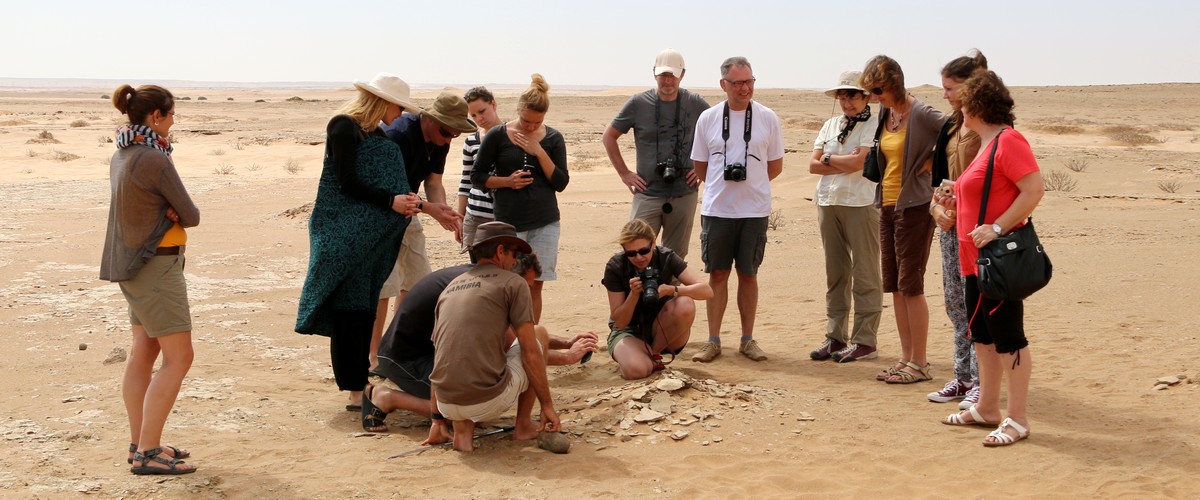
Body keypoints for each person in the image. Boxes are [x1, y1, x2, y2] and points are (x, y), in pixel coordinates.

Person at [295, 73, 423, 411]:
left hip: (370, 237)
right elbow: (345, 182)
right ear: (383, 102)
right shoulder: (343, 126)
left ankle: (360, 383)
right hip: (343, 232)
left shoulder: (377, 134)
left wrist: (407, 201)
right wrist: (390, 201)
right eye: (399, 107)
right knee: (349, 312)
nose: (401, 115)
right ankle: (355, 389)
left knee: (363, 309)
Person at [364, 253, 598, 432]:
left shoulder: (481, 277)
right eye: (526, 285)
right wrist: (568, 357)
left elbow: (521, 335)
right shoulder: (492, 291)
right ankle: (387, 398)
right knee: (468, 409)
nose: (527, 292)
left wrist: (566, 342)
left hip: (426, 351)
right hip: (405, 359)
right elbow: (522, 349)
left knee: (472, 400)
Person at [936, 70, 1043, 446]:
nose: (955, 105)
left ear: (976, 106)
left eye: (962, 100)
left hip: (997, 260)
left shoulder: (1009, 140)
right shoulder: (987, 143)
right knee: (981, 335)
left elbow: (1033, 189)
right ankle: (987, 408)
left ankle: (1018, 418)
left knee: (1008, 337)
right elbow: (990, 188)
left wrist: (997, 227)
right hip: (973, 260)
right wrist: (956, 195)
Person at [102, 83, 200, 474]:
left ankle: (139, 443)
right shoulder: (154, 157)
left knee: (144, 351)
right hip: (155, 266)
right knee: (180, 357)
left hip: (135, 265)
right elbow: (191, 214)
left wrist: (169, 211)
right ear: (155, 116)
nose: (173, 121)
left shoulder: (122, 152)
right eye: (171, 114)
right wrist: (172, 213)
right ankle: (147, 451)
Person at [424, 222, 567, 453]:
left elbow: (439, 354)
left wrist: (437, 419)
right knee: (538, 334)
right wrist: (547, 406)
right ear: (500, 252)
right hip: (486, 401)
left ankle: (462, 435)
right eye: (515, 254)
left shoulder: (450, 288)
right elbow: (530, 351)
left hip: (446, 404)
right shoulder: (513, 282)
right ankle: (523, 426)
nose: (515, 262)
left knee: (467, 362)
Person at [688, 56, 784, 363]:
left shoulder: (768, 118)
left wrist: (751, 184)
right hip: (718, 209)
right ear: (723, 85)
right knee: (717, 274)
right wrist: (725, 185)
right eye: (738, 83)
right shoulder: (709, 118)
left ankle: (747, 339)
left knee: (749, 274)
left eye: (749, 82)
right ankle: (713, 341)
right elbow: (700, 167)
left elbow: (775, 166)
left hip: (754, 211)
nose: (745, 88)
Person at [859, 55, 946, 384]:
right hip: (887, 205)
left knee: (911, 285)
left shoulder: (921, 113)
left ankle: (920, 363)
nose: (873, 97)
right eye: (870, 91)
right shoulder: (887, 113)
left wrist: (931, 164)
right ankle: (906, 358)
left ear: (894, 84)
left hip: (915, 207)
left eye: (878, 90)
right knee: (895, 286)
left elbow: (960, 133)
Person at [374, 93, 477, 368]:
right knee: (384, 287)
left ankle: (392, 348)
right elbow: (392, 192)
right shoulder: (398, 136)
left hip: (409, 214)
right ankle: (372, 359)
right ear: (429, 119)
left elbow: (433, 182)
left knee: (417, 281)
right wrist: (431, 209)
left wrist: (444, 211)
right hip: (381, 215)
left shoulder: (441, 139)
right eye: (446, 132)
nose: (449, 140)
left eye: (455, 135)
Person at [471, 74, 569, 324]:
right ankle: (505, 338)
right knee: (508, 284)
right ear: (517, 110)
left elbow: (561, 182)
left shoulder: (554, 138)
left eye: (537, 122)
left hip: (545, 222)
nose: (530, 127)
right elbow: (477, 176)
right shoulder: (497, 135)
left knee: (534, 284)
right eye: (526, 121)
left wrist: (539, 152)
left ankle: (529, 338)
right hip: (509, 225)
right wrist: (507, 182)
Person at [602, 48, 710, 258]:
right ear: (654, 73)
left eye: (672, 75)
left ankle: (669, 282)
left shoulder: (695, 103)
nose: (667, 81)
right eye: (663, 75)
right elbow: (609, 137)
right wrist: (624, 173)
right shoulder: (638, 103)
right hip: (647, 193)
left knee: (675, 258)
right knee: (635, 252)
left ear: (682, 74)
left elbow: (719, 136)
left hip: (684, 193)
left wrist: (703, 169)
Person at [807, 71, 883, 363]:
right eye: (843, 96)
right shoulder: (830, 125)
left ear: (866, 97)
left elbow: (859, 162)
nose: (847, 102)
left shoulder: (875, 123)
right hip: (828, 201)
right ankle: (835, 336)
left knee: (865, 271)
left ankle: (865, 340)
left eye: (852, 95)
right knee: (835, 272)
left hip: (860, 202)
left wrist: (829, 159)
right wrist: (838, 160)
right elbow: (813, 165)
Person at [927, 51, 988, 409]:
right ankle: (962, 377)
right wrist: (936, 209)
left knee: (979, 302)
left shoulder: (990, 128)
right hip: (950, 228)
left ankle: (983, 381)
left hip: (979, 229)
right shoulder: (950, 126)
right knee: (955, 302)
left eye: (951, 88)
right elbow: (937, 181)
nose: (946, 94)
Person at [602, 219, 713, 379]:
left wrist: (672, 290)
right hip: (629, 331)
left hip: (663, 329)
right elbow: (619, 322)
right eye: (631, 253)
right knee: (636, 371)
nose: (639, 257)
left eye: (644, 251)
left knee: (685, 303)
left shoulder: (665, 257)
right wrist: (633, 295)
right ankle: (642, 356)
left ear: (653, 243)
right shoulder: (616, 266)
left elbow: (707, 291)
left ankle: (654, 353)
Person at [457, 86, 503, 250]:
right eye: (474, 115)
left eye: (482, 111)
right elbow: (466, 181)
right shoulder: (471, 141)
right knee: (475, 265)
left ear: (493, 104)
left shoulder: (512, 136)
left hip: (504, 217)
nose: (479, 118)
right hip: (474, 217)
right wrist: (460, 218)